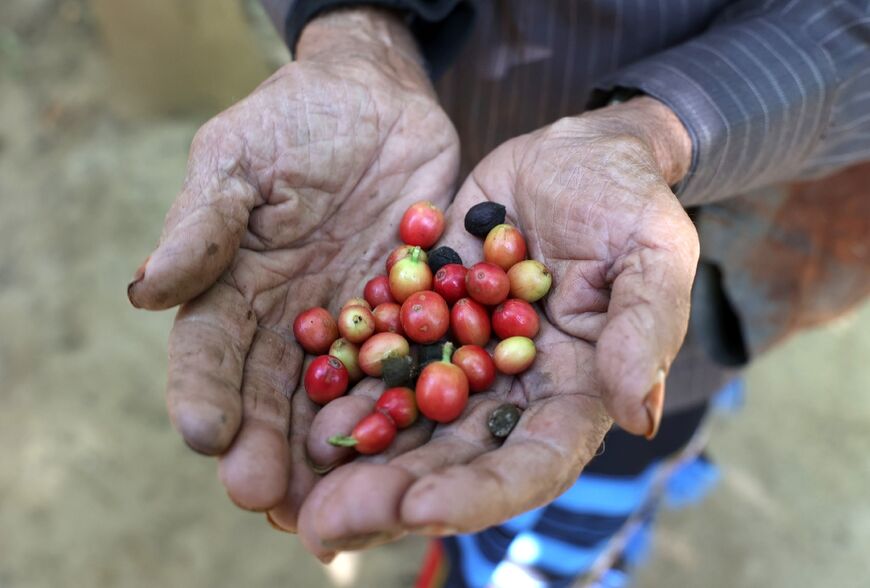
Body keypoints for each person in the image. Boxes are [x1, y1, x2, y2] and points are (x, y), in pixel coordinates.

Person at [127, 1, 870, 586]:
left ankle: (618, 513)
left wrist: (665, 130)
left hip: (733, 221)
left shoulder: (467, 302)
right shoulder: (433, 292)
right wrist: (353, 31)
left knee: (641, 420)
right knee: (577, 450)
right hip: (437, 120)